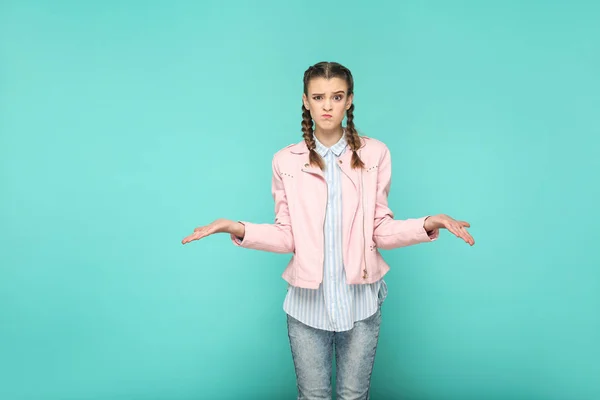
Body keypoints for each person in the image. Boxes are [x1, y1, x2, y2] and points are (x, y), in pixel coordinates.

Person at [181, 61, 475, 400]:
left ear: (349, 100)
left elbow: (380, 229)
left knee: (354, 396)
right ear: (306, 101)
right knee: (313, 397)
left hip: (361, 303)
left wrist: (429, 223)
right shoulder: (285, 161)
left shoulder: (375, 154)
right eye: (318, 97)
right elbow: (287, 235)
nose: (327, 105)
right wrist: (236, 228)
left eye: (336, 97)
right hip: (306, 305)